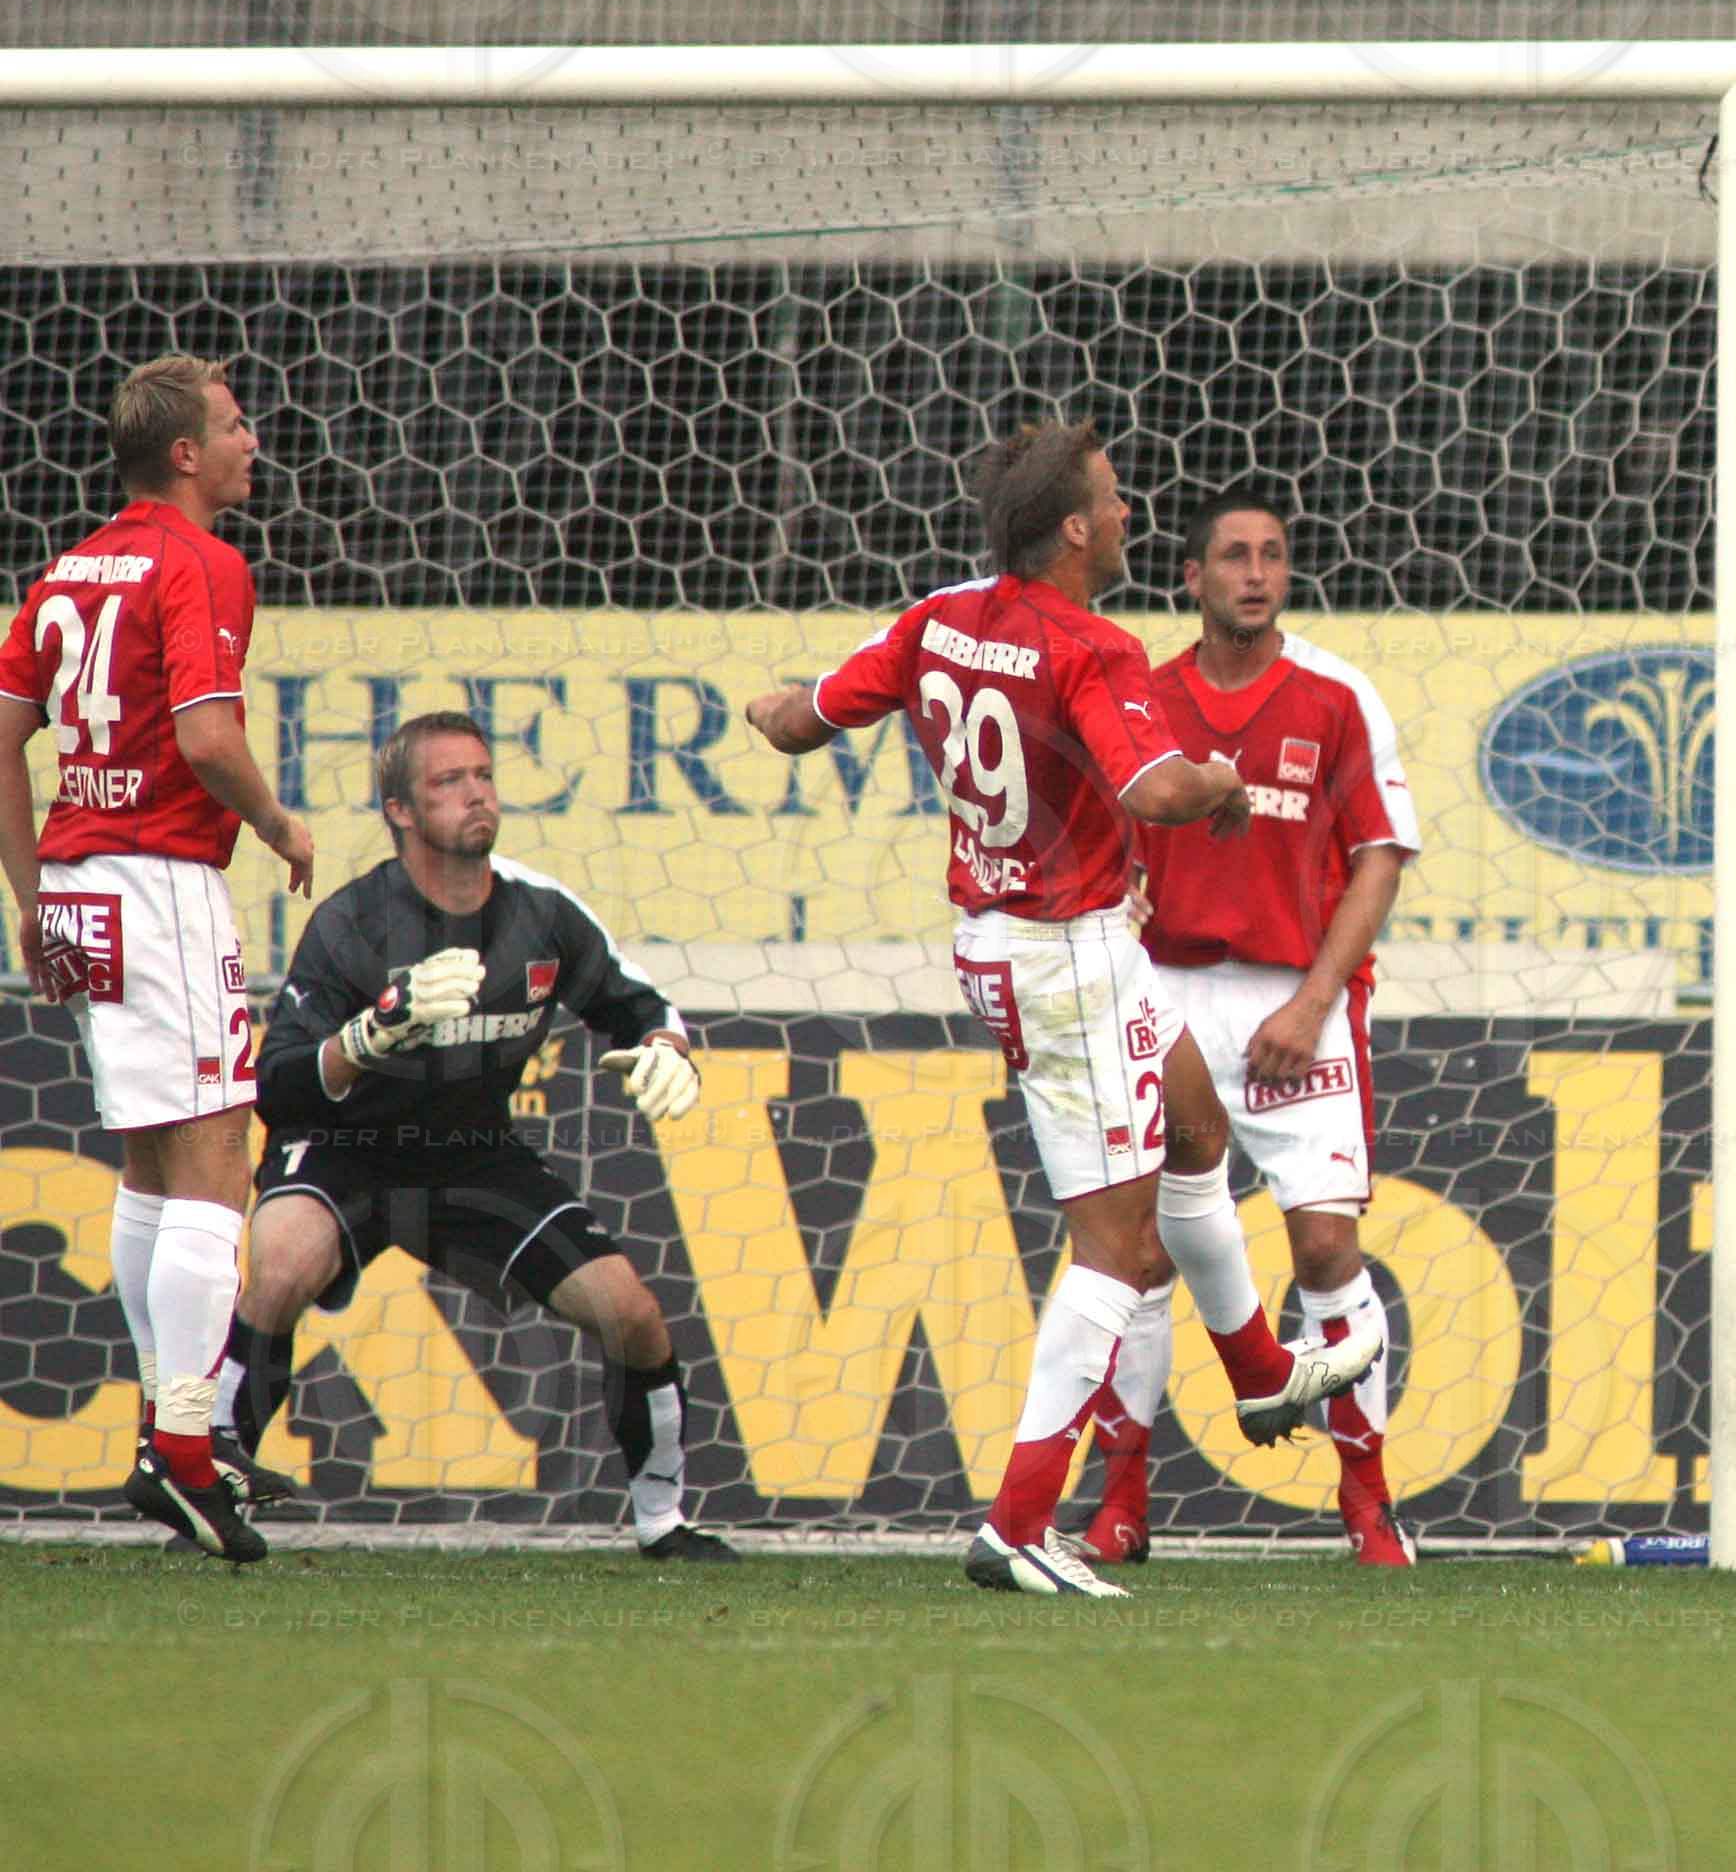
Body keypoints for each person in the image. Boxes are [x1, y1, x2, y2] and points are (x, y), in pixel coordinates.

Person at [742, 421, 1372, 1599]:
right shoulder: (1095, 646)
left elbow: (798, 718)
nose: (1131, 513)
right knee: (1115, 1248)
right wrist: (1227, 782)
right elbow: (1156, 789)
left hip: (1020, 938)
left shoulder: (935, 619)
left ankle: (1255, 1367)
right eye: (1118, 499)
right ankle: (1019, 1521)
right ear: (1076, 527)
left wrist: (772, 704)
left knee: (1197, 1128)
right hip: (1066, 952)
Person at [214, 712, 733, 1560]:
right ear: (401, 813)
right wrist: (358, 1044)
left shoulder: (541, 914)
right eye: (448, 782)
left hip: (472, 1151)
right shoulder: (353, 922)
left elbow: (642, 1007)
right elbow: (278, 1085)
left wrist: (669, 1049)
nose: (476, 792)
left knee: (632, 1313)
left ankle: (664, 1522)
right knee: (279, 1264)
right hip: (348, 1150)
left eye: (483, 774)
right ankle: (213, 1489)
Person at [1068, 485, 1424, 1569]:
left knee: (1326, 1243)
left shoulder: (1334, 693)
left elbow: (1381, 855)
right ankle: (1122, 1500)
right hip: (1163, 995)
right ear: (1193, 576)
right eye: (1233, 555)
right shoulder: (1140, 692)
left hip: (1291, 1001)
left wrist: (1314, 1000)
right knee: (1133, 1254)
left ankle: (1366, 1499)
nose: (1257, 572)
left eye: (1273, 553)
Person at [0, 356, 314, 1562]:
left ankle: (160, 1430)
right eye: (236, 425)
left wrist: (30, 896)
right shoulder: (201, 562)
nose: (252, 442)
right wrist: (280, 824)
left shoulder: (72, 565)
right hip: (160, 876)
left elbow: (3, 733)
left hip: (79, 880)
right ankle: (187, 1448)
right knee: (216, 1159)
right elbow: (205, 732)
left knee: (147, 1161)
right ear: (183, 452)